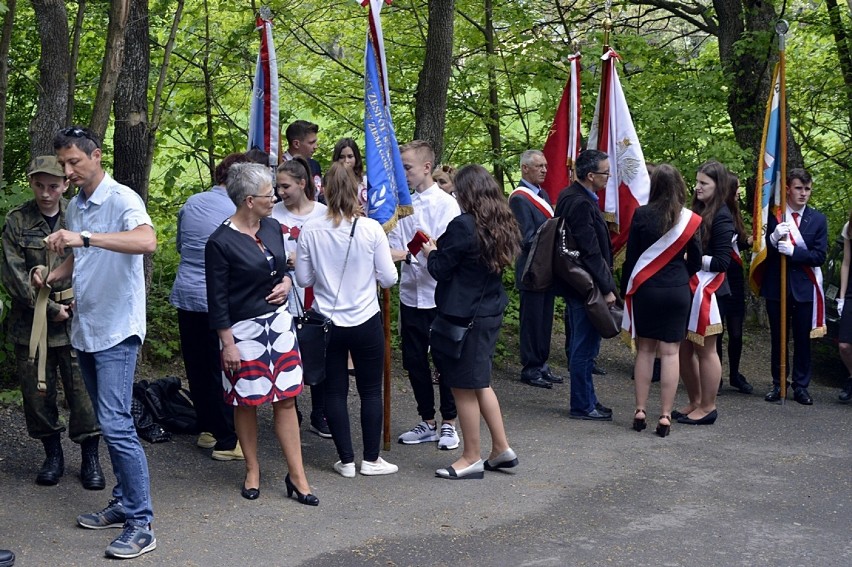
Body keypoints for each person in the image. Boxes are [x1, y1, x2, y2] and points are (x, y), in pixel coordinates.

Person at [38, 126, 157, 559]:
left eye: (75, 162)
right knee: (111, 421)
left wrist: (83, 237)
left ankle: (141, 522)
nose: (68, 171)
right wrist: (52, 275)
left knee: (115, 423)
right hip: (87, 328)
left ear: (97, 155)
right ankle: (124, 502)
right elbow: (80, 256)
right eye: (63, 164)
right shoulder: (78, 205)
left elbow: (146, 241)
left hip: (118, 329)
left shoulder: (122, 198)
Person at [204, 163, 317, 506]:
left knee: (286, 398)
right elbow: (217, 300)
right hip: (242, 333)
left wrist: (285, 281)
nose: (277, 197)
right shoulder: (220, 242)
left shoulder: (271, 226)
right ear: (249, 200)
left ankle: (297, 476)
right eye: (270, 194)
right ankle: (252, 470)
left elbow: (281, 267)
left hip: (279, 326)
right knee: (246, 402)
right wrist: (228, 345)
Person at [1, 155, 104, 490]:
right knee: (36, 396)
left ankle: (90, 457)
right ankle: (52, 455)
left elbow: (97, 261)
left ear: (65, 185)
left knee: (84, 394)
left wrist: (82, 299)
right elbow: (13, 276)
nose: (46, 193)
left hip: (78, 323)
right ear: (32, 184)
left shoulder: (79, 216)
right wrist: (47, 310)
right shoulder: (18, 221)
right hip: (32, 325)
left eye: (53, 186)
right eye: (39, 185)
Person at [296, 162, 399, 477]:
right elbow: (389, 279)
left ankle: (345, 460)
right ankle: (370, 459)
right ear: (357, 192)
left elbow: (303, 278)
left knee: (334, 391)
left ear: (323, 191)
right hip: (366, 319)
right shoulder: (369, 229)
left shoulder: (310, 230)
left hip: (327, 321)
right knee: (370, 389)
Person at [422, 164, 520, 479]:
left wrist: (431, 252)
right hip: (489, 310)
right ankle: (501, 448)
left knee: (463, 386)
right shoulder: (502, 220)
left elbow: (440, 268)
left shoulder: (463, 226)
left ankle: (471, 456)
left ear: (466, 193)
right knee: (480, 383)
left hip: (465, 317)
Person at [170, 153, 248, 461]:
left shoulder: (192, 203)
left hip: (186, 294)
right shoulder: (237, 210)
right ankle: (229, 439)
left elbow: (179, 246)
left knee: (197, 366)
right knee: (223, 369)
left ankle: (208, 429)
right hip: (218, 299)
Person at [388, 140, 462, 449]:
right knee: (414, 360)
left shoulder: (446, 205)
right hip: (410, 294)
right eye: (400, 168)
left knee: (444, 360)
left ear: (426, 168)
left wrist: (421, 251)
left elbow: (446, 250)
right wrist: (406, 254)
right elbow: (390, 246)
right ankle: (427, 419)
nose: (403, 173)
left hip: (438, 295)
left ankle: (449, 421)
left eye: (407, 167)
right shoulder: (400, 206)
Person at [621, 164, 702, 437]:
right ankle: (666, 415)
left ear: (653, 185)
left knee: (645, 351)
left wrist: (625, 292)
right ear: (680, 186)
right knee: (670, 353)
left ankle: (640, 410)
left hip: (647, 290)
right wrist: (680, 276)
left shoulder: (641, 215)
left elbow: (632, 260)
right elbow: (698, 261)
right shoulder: (689, 218)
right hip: (677, 290)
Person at [270, 156, 331, 438]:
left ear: (302, 183)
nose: (280, 193)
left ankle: (321, 412)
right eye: (278, 187)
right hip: (283, 294)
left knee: (318, 354)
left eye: (285, 187)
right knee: (286, 353)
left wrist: (306, 260)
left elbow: (334, 254)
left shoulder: (322, 214)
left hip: (316, 293)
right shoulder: (273, 214)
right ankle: (289, 409)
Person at [554, 149, 616, 421]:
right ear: (590, 176)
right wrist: (607, 288)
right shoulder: (579, 203)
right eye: (605, 172)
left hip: (578, 283)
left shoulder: (572, 195)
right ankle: (582, 404)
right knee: (584, 347)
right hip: (585, 286)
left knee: (585, 345)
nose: (608, 177)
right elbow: (590, 251)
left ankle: (588, 399)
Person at [675, 160, 734, 425]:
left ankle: (708, 406)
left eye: (704, 184)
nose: (697, 188)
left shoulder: (723, 215)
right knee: (684, 349)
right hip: (691, 288)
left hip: (712, 292)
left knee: (706, 350)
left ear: (717, 186)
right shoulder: (696, 210)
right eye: (697, 182)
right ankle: (695, 400)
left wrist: (693, 257)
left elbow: (723, 261)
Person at [762, 168, 828, 405]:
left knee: (802, 339)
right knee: (778, 338)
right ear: (787, 188)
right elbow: (760, 254)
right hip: (776, 286)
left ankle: (801, 386)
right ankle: (778, 383)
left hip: (803, 287)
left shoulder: (817, 219)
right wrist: (771, 239)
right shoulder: (773, 217)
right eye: (799, 188)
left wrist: (794, 252)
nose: (803, 193)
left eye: (807, 189)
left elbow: (819, 256)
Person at [509, 149, 563, 389]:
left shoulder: (542, 193)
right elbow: (526, 237)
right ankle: (530, 367)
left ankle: (542, 364)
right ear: (525, 169)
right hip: (531, 269)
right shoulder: (520, 198)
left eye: (545, 165)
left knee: (544, 320)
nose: (544, 169)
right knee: (532, 321)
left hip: (547, 268)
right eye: (539, 166)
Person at [717, 173, 754, 394]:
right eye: (737, 188)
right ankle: (716, 375)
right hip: (720, 277)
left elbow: (737, 242)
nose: (740, 191)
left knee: (736, 332)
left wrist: (749, 241)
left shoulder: (735, 213)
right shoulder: (716, 213)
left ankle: (735, 374)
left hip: (736, 278)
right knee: (718, 331)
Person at [284, 120, 324, 199]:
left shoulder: (314, 165)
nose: (315, 147)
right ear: (296, 144)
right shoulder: (280, 166)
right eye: (311, 143)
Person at [837, 209, 852, 402]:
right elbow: (846, 262)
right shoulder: (849, 227)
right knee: (844, 345)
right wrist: (841, 297)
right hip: (851, 292)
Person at [331, 138, 368, 208]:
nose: (346, 161)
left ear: (356, 158)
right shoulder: (332, 182)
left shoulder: (365, 181)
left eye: (350, 156)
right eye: (342, 157)